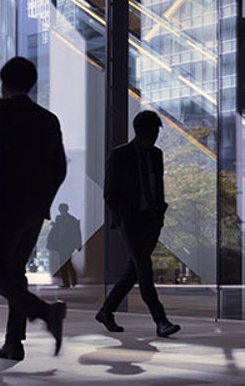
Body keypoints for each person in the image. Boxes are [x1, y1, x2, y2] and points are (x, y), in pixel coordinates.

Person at [0, 57, 68, 361]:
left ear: (4, 83)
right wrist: (43, 202)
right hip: (33, 211)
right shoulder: (48, 119)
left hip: (4, 207)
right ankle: (13, 342)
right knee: (15, 274)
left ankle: (46, 313)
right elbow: (60, 169)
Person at [96, 110, 180, 338]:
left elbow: (158, 186)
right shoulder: (119, 155)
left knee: (134, 270)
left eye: (156, 133)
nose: (155, 137)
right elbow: (110, 192)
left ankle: (106, 311)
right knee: (144, 269)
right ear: (140, 131)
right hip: (129, 222)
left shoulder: (156, 155)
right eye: (151, 132)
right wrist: (125, 217)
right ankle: (161, 320)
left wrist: (160, 213)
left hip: (151, 221)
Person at [47, 203, 82, 288]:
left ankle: (67, 282)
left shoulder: (59, 219)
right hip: (69, 245)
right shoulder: (72, 219)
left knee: (64, 263)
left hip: (62, 245)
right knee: (68, 263)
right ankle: (73, 280)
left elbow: (57, 230)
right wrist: (78, 244)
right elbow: (77, 233)